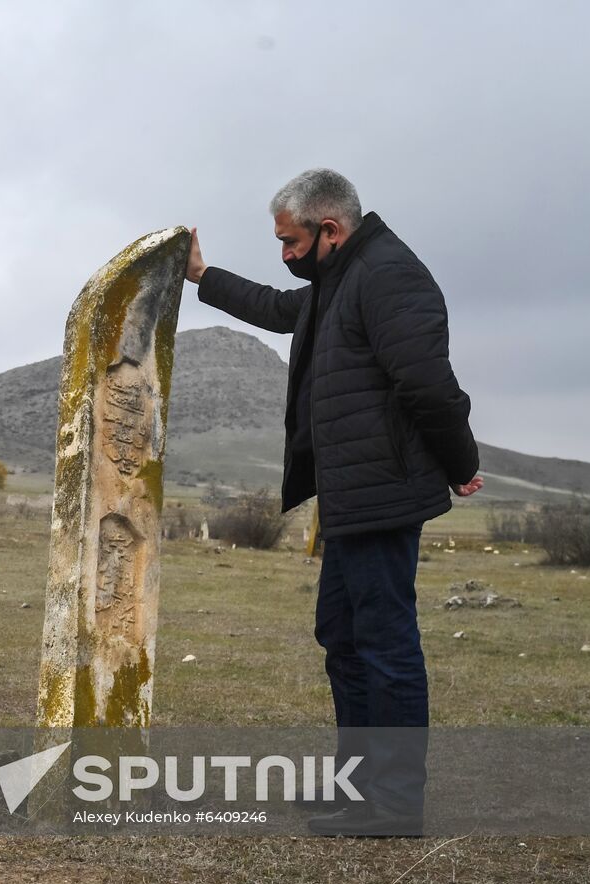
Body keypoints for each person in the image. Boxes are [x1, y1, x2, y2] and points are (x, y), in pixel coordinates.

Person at [185, 168, 483, 836]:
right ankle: (359, 786)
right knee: (343, 639)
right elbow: (275, 308)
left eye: (290, 241)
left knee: (385, 645)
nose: (285, 255)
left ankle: (395, 802)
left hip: (382, 495)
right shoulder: (335, 281)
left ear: (330, 229)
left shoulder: (386, 276)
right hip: (350, 498)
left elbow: (429, 385)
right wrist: (202, 276)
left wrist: (461, 464)